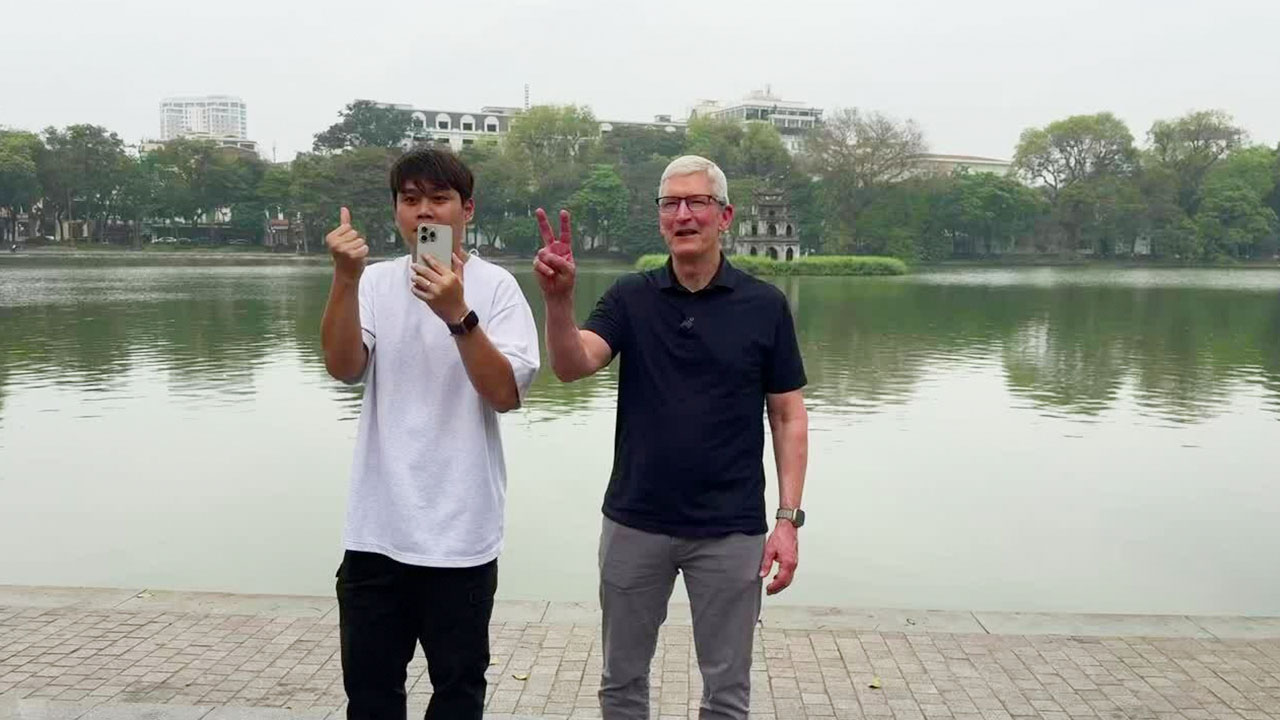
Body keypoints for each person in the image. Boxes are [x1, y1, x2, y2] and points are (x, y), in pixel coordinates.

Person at [532, 155, 810, 719]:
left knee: (727, 694)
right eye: (670, 204)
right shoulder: (632, 297)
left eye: (696, 203)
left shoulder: (764, 305)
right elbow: (572, 365)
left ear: (724, 215)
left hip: (730, 529)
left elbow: (787, 415)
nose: (683, 215)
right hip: (636, 520)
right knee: (621, 683)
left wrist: (787, 519)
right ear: (660, 217)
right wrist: (559, 301)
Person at [321, 147, 540, 720]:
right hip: (376, 531)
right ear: (395, 209)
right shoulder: (372, 283)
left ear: (467, 209)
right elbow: (344, 367)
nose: (424, 213)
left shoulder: (496, 289)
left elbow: (505, 395)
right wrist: (344, 280)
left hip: (461, 537)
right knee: (369, 698)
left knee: (458, 695)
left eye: (439, 199)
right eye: (410, 199)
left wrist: (456, 314)